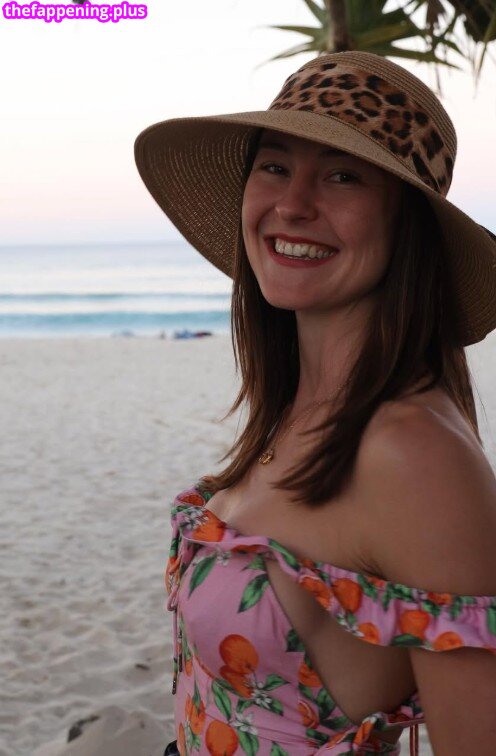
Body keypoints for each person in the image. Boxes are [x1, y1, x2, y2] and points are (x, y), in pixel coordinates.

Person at [135, 51, 496, 755]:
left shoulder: (414, 453)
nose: (293, 205)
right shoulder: (298, 412)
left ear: (406, 225)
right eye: (275, 166)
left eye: (342, 176)